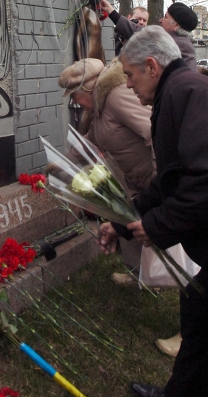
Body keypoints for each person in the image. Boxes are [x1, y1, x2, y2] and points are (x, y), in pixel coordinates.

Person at [99, 26, 208, 397]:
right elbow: (171, 180)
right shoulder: (177, 93)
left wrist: (159, 224)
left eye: (130, 76)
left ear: (151, 66)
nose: (129, 86)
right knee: (198, 332)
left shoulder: (189, 93)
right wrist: (122, 221)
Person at [58, 57, 156, 281]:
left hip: (150, 176)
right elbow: (91, 141)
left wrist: (159, 176)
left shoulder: (116, 97)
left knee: (150, 225)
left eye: (74, 96)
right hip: (133, 179)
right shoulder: (101, 106)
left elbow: (154, 130)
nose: (76, 103)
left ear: (86, 89)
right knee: (126, 220)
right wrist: (61, 166)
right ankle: (139, 274)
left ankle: (161, 275)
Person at [159, 2, 198, 70]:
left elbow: (187, 76)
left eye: (165, 17)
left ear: (176, 25)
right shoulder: (175, 41)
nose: (160, 20)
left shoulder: (181, 44)